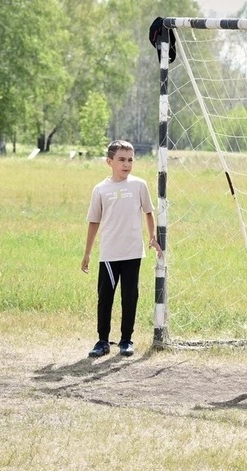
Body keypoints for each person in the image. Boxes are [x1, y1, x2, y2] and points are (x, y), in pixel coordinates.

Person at [81, 140, 162, 358]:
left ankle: (126, 339)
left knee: (130, 296)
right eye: (121, 160)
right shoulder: (100, 189)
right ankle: (102, 341)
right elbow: (94, 222)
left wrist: (152, 236)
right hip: (109, 254)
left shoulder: (139, 185)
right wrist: (87, 253)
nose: (127, 164)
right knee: (105, 297)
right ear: (109, 162)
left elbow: (148, 212)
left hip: (133, 252)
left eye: (130, 160)